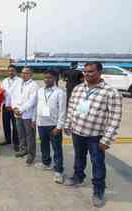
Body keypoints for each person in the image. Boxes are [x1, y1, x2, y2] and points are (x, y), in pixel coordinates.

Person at [64, 62, 122, 207]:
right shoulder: (78, 88)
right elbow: (71, 107)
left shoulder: (111, 92)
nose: (86, 74)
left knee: (97, 163)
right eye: (85, 71)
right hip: (77, 132)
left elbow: (115, 118)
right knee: (79, 157)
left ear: (100, 72)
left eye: (90, 71)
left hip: (96, 136)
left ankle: (98, 190)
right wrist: (68, 124)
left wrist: (107, 139)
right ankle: (78, 176)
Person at [35, 70, 66, 184]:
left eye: (50, 78)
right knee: (44, 145)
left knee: (57, 148)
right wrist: (35, 120)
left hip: (53, 125)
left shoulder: (60, 92)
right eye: (45, 77)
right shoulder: (40, 91)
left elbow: (62, 111)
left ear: (55, 79)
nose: (47, 80)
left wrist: (59, 127)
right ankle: (46, 163)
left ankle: (58, 171)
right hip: (41, 124)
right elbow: (37, 106)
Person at [13, 67, 38, 165]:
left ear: (31, 74)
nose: (24, 75)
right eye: (22, 73)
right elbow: (14, 96)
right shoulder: (19, 83)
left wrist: (21, 110)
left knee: (30, 136)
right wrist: (15, 107)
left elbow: (32, 101)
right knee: (21, 134)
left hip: (28, 115)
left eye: (26, 73)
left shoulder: (34, 85)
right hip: (17, 113)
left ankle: (31, 155)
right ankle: (23, 150)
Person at [0, 64, 22, 152]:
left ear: (16, 71)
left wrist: (15, 106)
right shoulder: (4, 80)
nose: (10, 72)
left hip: (15, 107)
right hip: (6, 105)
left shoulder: (20, 81)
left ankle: (16, 143)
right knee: (6, 124)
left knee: (16, 125)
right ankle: (7, 139)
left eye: (12, 71)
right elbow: (1, 92)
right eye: (9, 71)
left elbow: (21, 94)